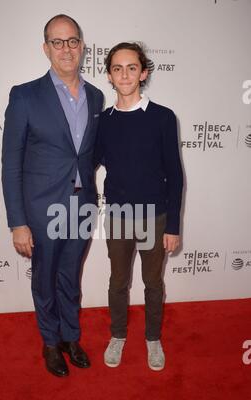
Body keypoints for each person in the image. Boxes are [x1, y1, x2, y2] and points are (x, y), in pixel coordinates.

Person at [2, 14, 103, 378]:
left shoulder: (95, 95)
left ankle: (70, 337)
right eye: (57, 42)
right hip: (42, 207)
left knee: (69, 276)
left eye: (72, 41)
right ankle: (49, 342)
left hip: (83, 204)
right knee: (44, 277)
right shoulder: (25, 95)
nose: (66, 49)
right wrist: (18, 221)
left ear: (82, 46)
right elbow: (10, 163)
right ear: (46, 48)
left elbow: (91, 153)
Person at [96, 42, 183, 371]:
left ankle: (152, 338)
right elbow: (88, 162)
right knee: (118, 281)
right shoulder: (103, 121)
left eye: (131, 67)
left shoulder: (162, 117)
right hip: (117, 217)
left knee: (152, 282)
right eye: (117, 68)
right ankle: (117, 334)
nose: (125, 74)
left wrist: (173, 225)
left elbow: (175, 175)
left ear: (143, 72)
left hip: (155, 217)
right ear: (109, 75)